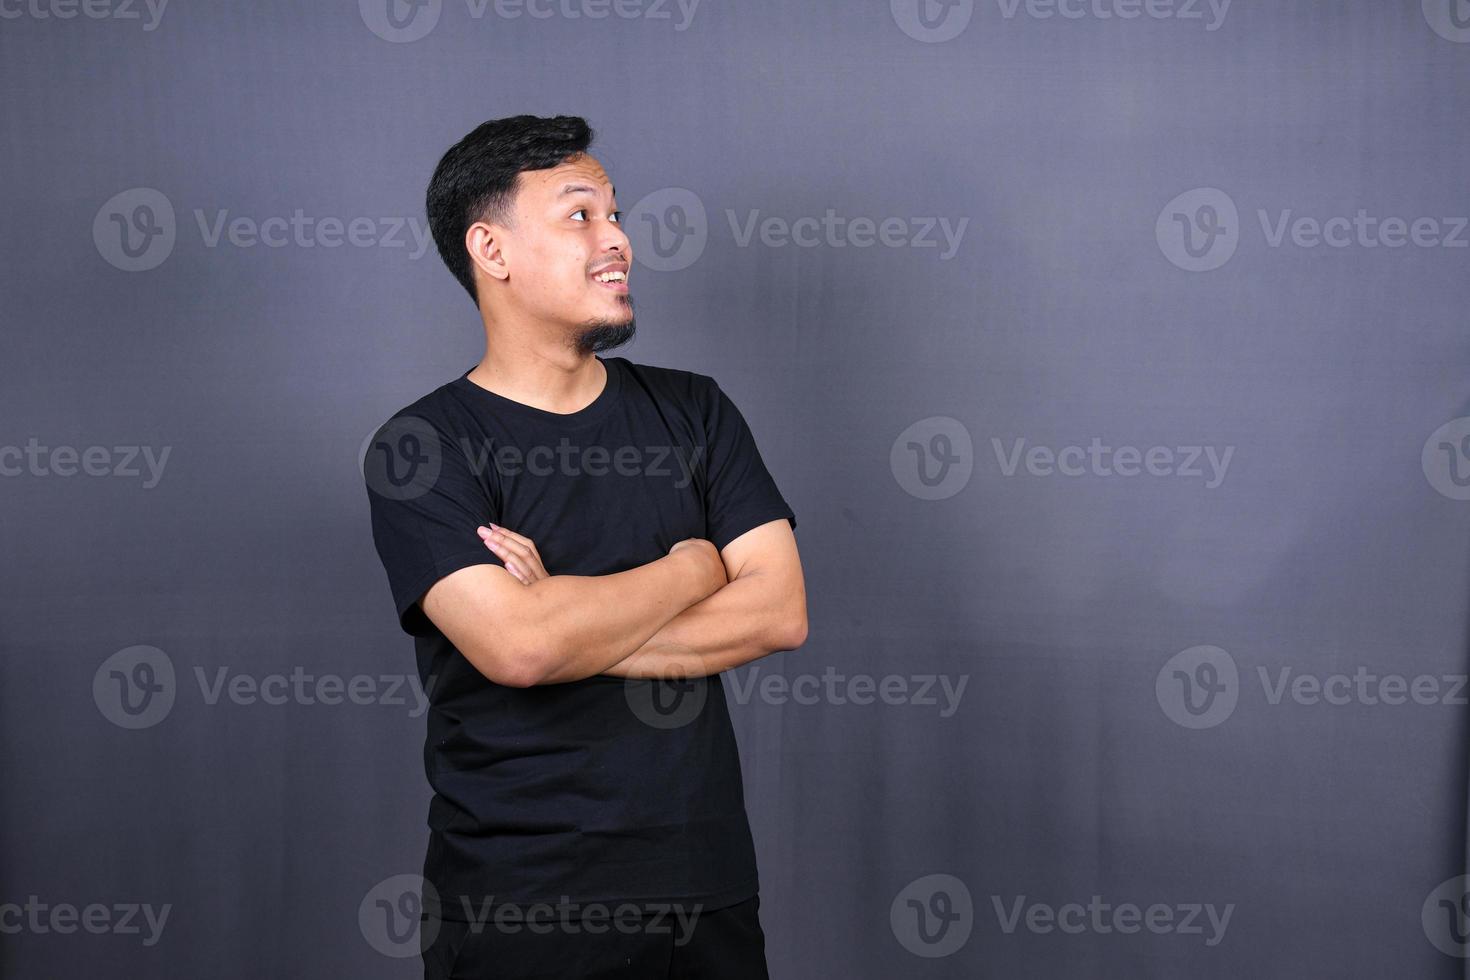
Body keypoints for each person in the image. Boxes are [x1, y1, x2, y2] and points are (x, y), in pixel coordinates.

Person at [362, 114, 807, 979]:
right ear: (490, 250)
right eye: (581, 216)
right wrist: (695, 566)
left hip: (701, 889)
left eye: (617, 215)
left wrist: (567, 617)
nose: (620, 242)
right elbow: (521, 648)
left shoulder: (695, 412)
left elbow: (780, 613)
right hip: (517, 902)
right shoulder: (421, 447)